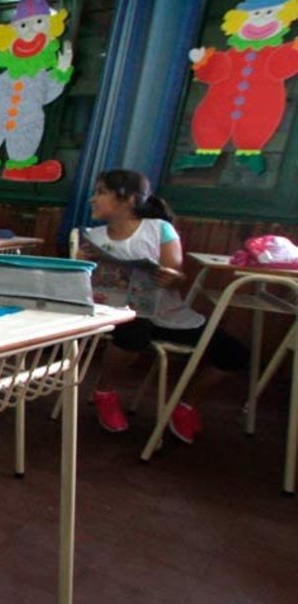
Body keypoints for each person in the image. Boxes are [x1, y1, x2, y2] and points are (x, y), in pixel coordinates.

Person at [79, 169, 248, 443]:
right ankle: (104, 392)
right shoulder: (93, 237)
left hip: (167, 315)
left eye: (101, 193)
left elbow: (178, 277)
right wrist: (81, 264)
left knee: (235, 354)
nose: (93, 199)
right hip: (115, 316)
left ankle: (186, 405)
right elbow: (80, 283)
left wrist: (171, 276)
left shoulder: (159, 230)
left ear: (128, 199)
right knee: (133, 328)